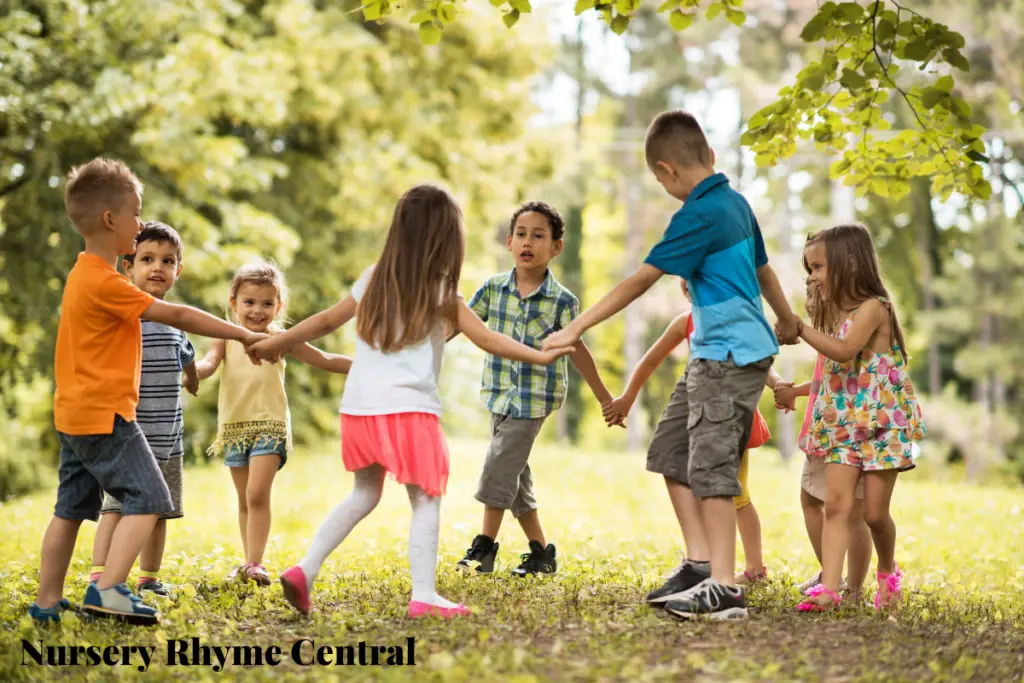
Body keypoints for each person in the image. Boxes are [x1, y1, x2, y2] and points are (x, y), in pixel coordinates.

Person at [246, 184, 575, 618]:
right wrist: (540, 353)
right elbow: (489, 339)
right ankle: (424, 595)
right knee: (426, 500)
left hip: (360, 408)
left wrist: (279, 341)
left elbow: (325, 321)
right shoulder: (441, 290)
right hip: (410, 411)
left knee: (364, 492)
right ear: (446, 237)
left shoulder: (372, 278)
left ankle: (305, 569)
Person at [543, 110, 801, 620]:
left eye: (659, 180)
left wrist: (575, 328)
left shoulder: (699, 213)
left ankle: (725, 589)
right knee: (671, 449)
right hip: (713, 354)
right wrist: (787, 317)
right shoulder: (735, 203)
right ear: (709, 155)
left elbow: (640, 280)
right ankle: (702, 566)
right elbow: (764, 269)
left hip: (729, 355)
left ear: (666, 171)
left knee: (711, 467)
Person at [31, 158, 266, 625]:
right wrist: (242, 335)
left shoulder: (84, 276)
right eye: (136, 214)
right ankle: (109, 589)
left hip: (74, 416)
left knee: (69, 510)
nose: (140, 224)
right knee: (151, 499)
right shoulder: (106, 284)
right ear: (109, 220)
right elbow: (176, 315)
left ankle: (46, 602)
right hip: (106, 417)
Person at [456, 201, 615, 578]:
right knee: (515, 474)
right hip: (498, 393)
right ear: (509, 242)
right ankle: (541, 552)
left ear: (556, 247)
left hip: (534, 399)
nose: (528, 242)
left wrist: (605, 397)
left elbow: (578, 350)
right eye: (522, 235)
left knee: (498, 466)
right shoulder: (493, 289)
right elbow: (462, 325)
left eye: (539, 236)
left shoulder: (562, 301)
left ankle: (484, 546)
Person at [603, 278, 785, 593]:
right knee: (702, 490)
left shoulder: (733, 324)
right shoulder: (685, 323)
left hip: (732, 416)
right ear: (687, 293)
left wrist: (780, 385)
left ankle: (754, 567)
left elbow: (761, 366)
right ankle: (707, 562)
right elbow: (649, 361)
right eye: (691, 288)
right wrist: (628, 398)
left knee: (736, 495)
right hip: (697, 416)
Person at [785, 224, 925, 612]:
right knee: (836, 504)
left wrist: (801, 328)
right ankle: (830, 589)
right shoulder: (834, 311)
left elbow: (845, 351)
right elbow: (828, 355)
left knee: (875, 515)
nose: (812, 276)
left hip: (882, 424)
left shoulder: (875, 307)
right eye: (809, 269)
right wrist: (804, 316)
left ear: (849, 262)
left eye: (818, 267)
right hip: (843, 424)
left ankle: (887, 572)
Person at [194, 262, 352, 585]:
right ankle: (249, 560)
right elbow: (208, 365)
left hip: (271, 425)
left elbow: (324, 359)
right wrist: (189, 371)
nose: (257, 310)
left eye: (267, 303)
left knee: (256, 494)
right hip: (235, 428)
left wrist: (367, 366)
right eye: (249, 302)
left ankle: (255, 563)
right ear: (233, 302)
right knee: (244, 499)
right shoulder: (224, 336)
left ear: (278, 307)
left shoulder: (282, 339)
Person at [89, 222, 200, 600]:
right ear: (128, 267)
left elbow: (187, 358)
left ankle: (148, 578)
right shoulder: (125, 316)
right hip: (128, 439)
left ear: (177, 270)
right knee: (115, 509)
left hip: (168, 439)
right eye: (147, 259)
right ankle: (99, 574)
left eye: (167, 260)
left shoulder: (176, 320)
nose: (157, 267)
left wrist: (193, 379)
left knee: (160, 512)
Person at [774, 278, 872, 602]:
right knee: (819, 503)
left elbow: (844, 367)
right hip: (826, 429)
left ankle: (847, 585)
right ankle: (839, 579)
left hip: (846, 431)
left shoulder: (857, 321)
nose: (810, 280)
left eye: (817, 270)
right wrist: (795, 392)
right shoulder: (833, 329)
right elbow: (823, 379)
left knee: (844, 510)